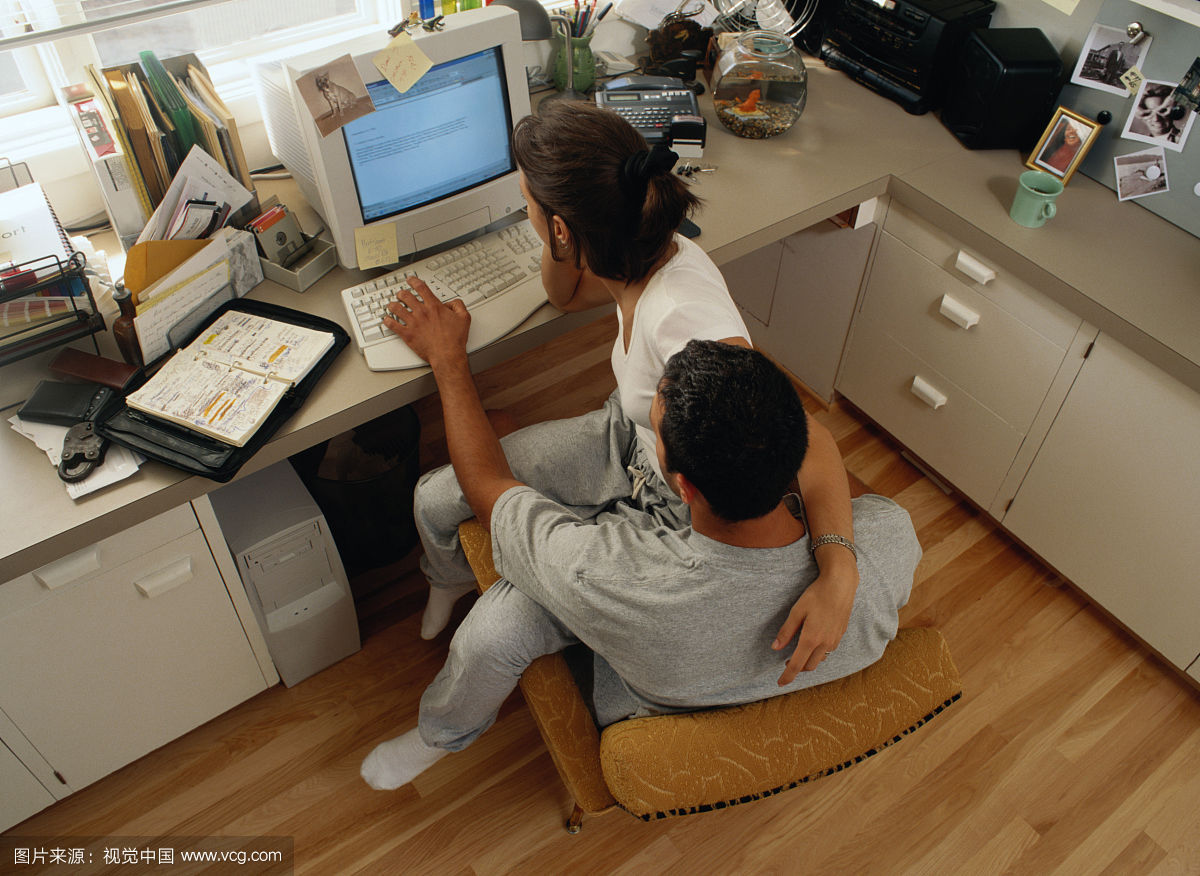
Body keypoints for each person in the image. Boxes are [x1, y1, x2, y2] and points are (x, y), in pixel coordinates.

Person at [360, 319, 919, 790]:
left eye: (653, 432)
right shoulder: (890, 539)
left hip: (643, 646)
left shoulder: (605, 574)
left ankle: (440, 733)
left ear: (684, 484)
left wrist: (448, 361)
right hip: (691, 634)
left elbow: (484, 483)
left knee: (498, 627)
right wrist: (838, 560)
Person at [408, 101, 859, 683]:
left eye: (526, 206)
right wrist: (560, 230)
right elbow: (566, 296)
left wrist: (838, 570)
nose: (525, 214)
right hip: (632, 440)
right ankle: (446, 579)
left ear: (564, 226)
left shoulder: (682, 317)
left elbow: (805, 436)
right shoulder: (638, 256)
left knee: (499, 619)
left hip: (681, 503)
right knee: (435, 497)